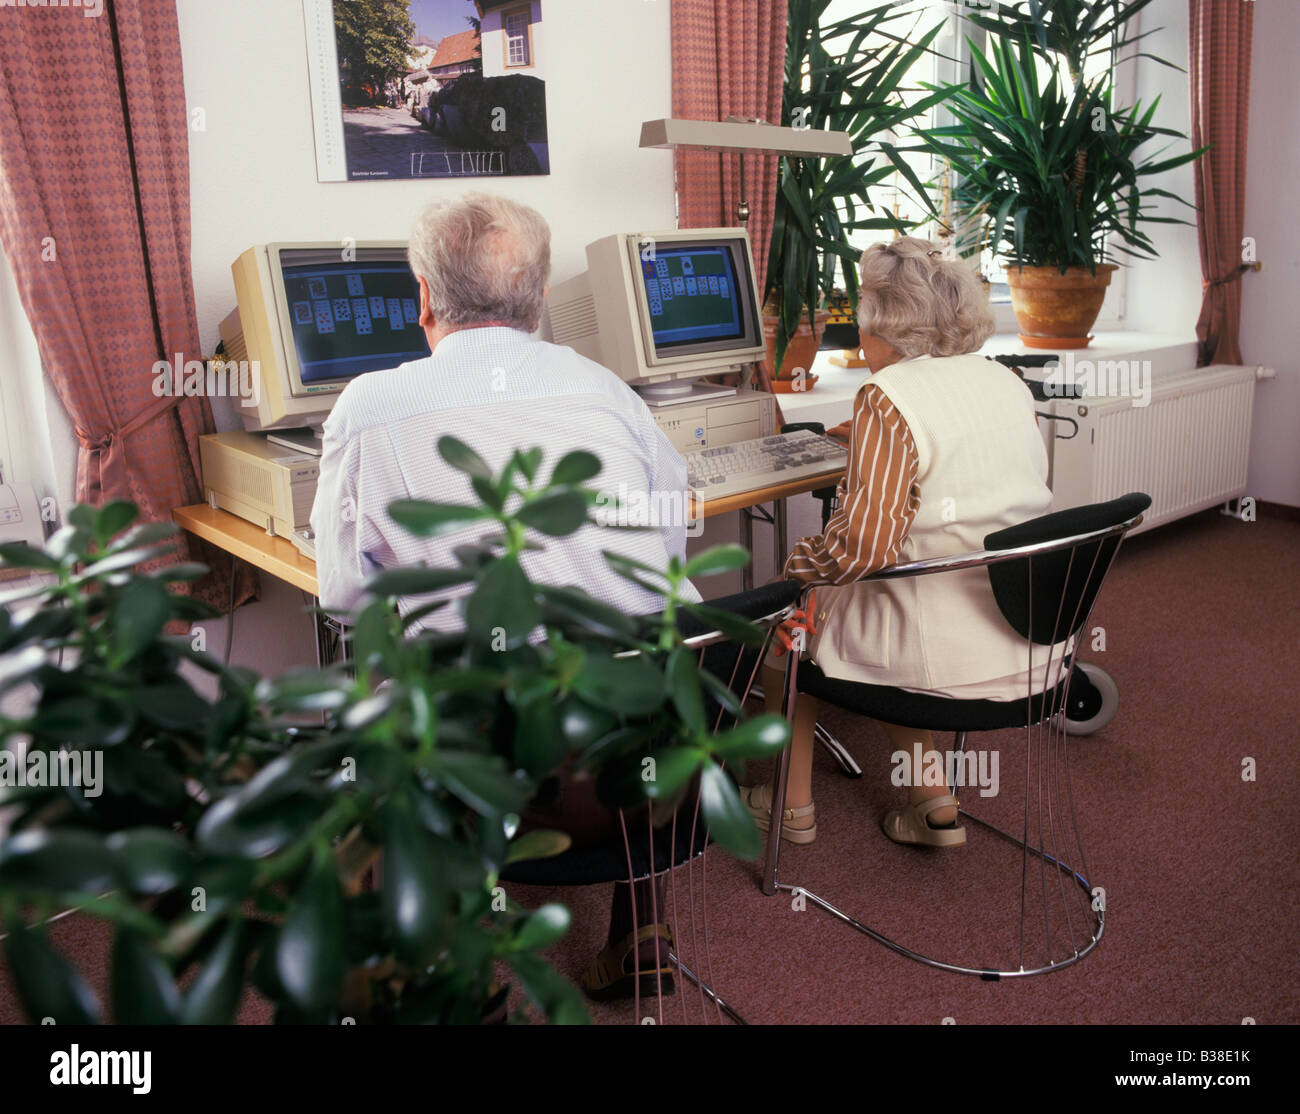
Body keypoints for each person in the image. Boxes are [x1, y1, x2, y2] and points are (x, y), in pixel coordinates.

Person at [310, 191, 701, 999]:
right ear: (540, 293)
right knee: (631, 644)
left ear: (421, 294)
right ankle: (645, 930)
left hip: (502, 770)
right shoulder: (608, 392)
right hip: (650, 771)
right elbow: (667, 552)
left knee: (395, 707)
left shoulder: (369, 408)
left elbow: (344, 596)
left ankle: (464, 978)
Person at [741, 237, 1054, 848]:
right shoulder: (1004, 381)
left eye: (861, 309)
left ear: (882, 320)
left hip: (937, 648)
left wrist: (795, 569)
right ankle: (931, 795)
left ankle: (790, 805)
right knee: (865, 611)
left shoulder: (888, 397)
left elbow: (862, 551)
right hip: (1025, 632)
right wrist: (875, 440)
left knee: (796, 620)